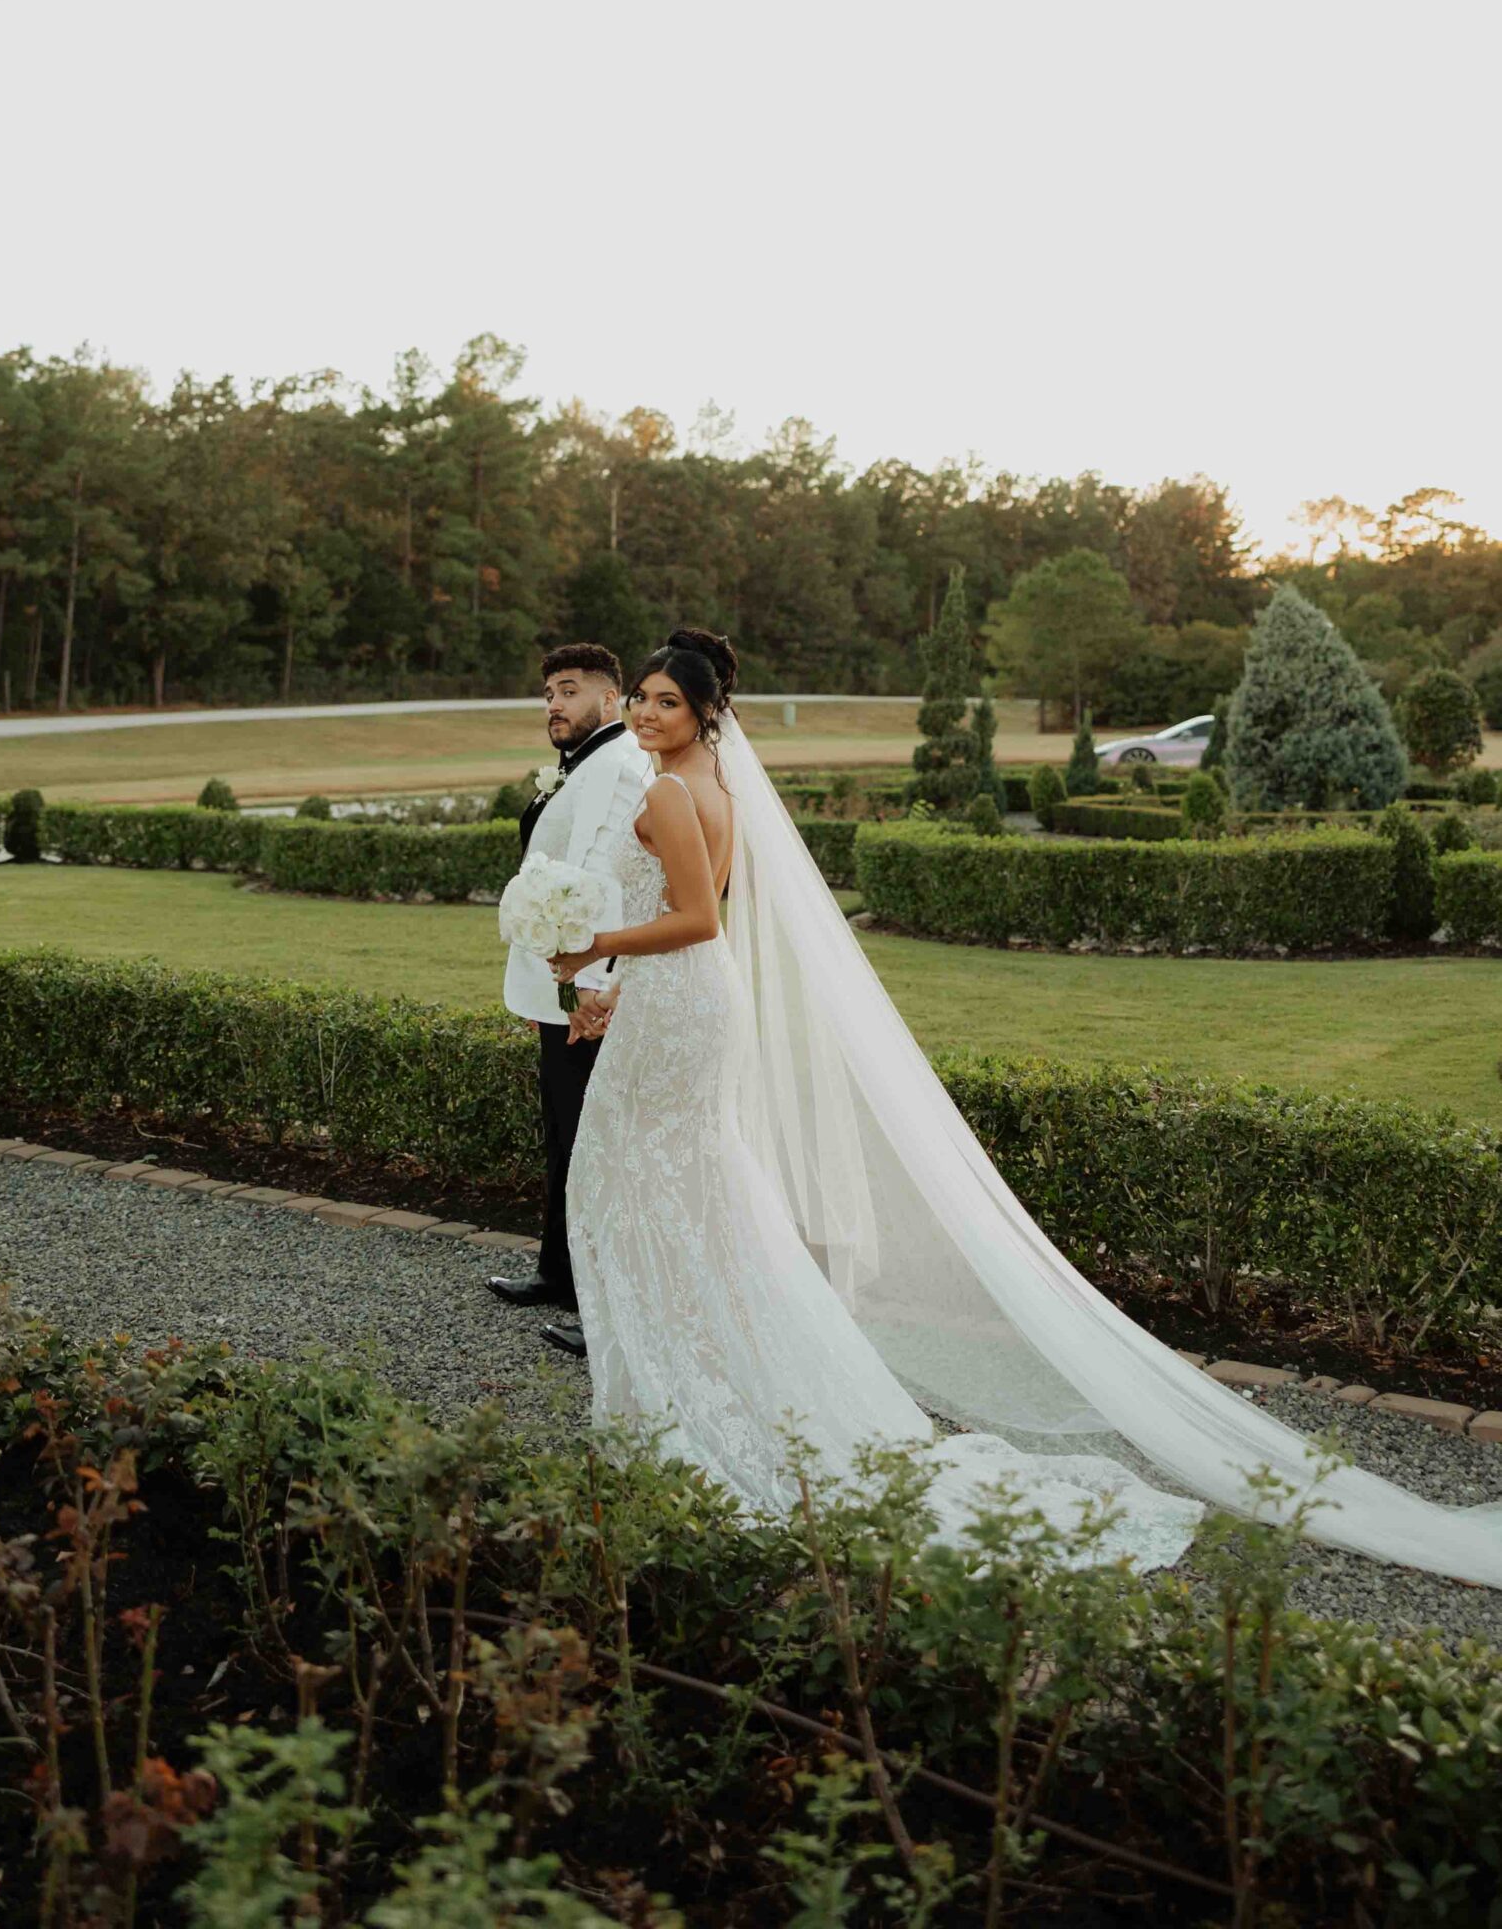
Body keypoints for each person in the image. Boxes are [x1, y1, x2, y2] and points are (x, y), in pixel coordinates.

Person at [546, 626, 1502, 1585]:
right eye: (644, 700)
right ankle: (710, 1385)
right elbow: (703, 920)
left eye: (665, 702)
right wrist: (622, 991)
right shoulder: (719, 787)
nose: (645, 714)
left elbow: (700, 916)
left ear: (706, 713)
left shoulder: (670, 789)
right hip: (689, 1003)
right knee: (690, 1194)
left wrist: (591, 949)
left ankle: (682, 1405)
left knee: (634, 1188)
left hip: (683, 1003)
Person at [488, 642, 653, 1349]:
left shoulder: (617, 768)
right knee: (561, 1134)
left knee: (593, 1144)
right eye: (549, 692)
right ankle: (558, 1271)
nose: (553, 704)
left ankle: (604, 1306)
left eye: (569, 690)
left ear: (611, 699)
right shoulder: (581, 765)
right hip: (558, 987)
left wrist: (588, 989)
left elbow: (606, 884)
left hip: (585, 993)